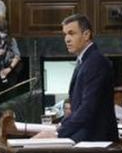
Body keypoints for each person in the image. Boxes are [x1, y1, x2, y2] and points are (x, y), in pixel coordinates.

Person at [45, 14, 117, 143]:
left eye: (71, 33)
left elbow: (87, 109)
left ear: (86, 34)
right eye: (65, 34)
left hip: (96, 140)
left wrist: (58, 133)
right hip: (86, 136)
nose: (67, 39)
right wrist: (60, 126)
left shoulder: (96, 62)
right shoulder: (85, 60)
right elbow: (77, 108)